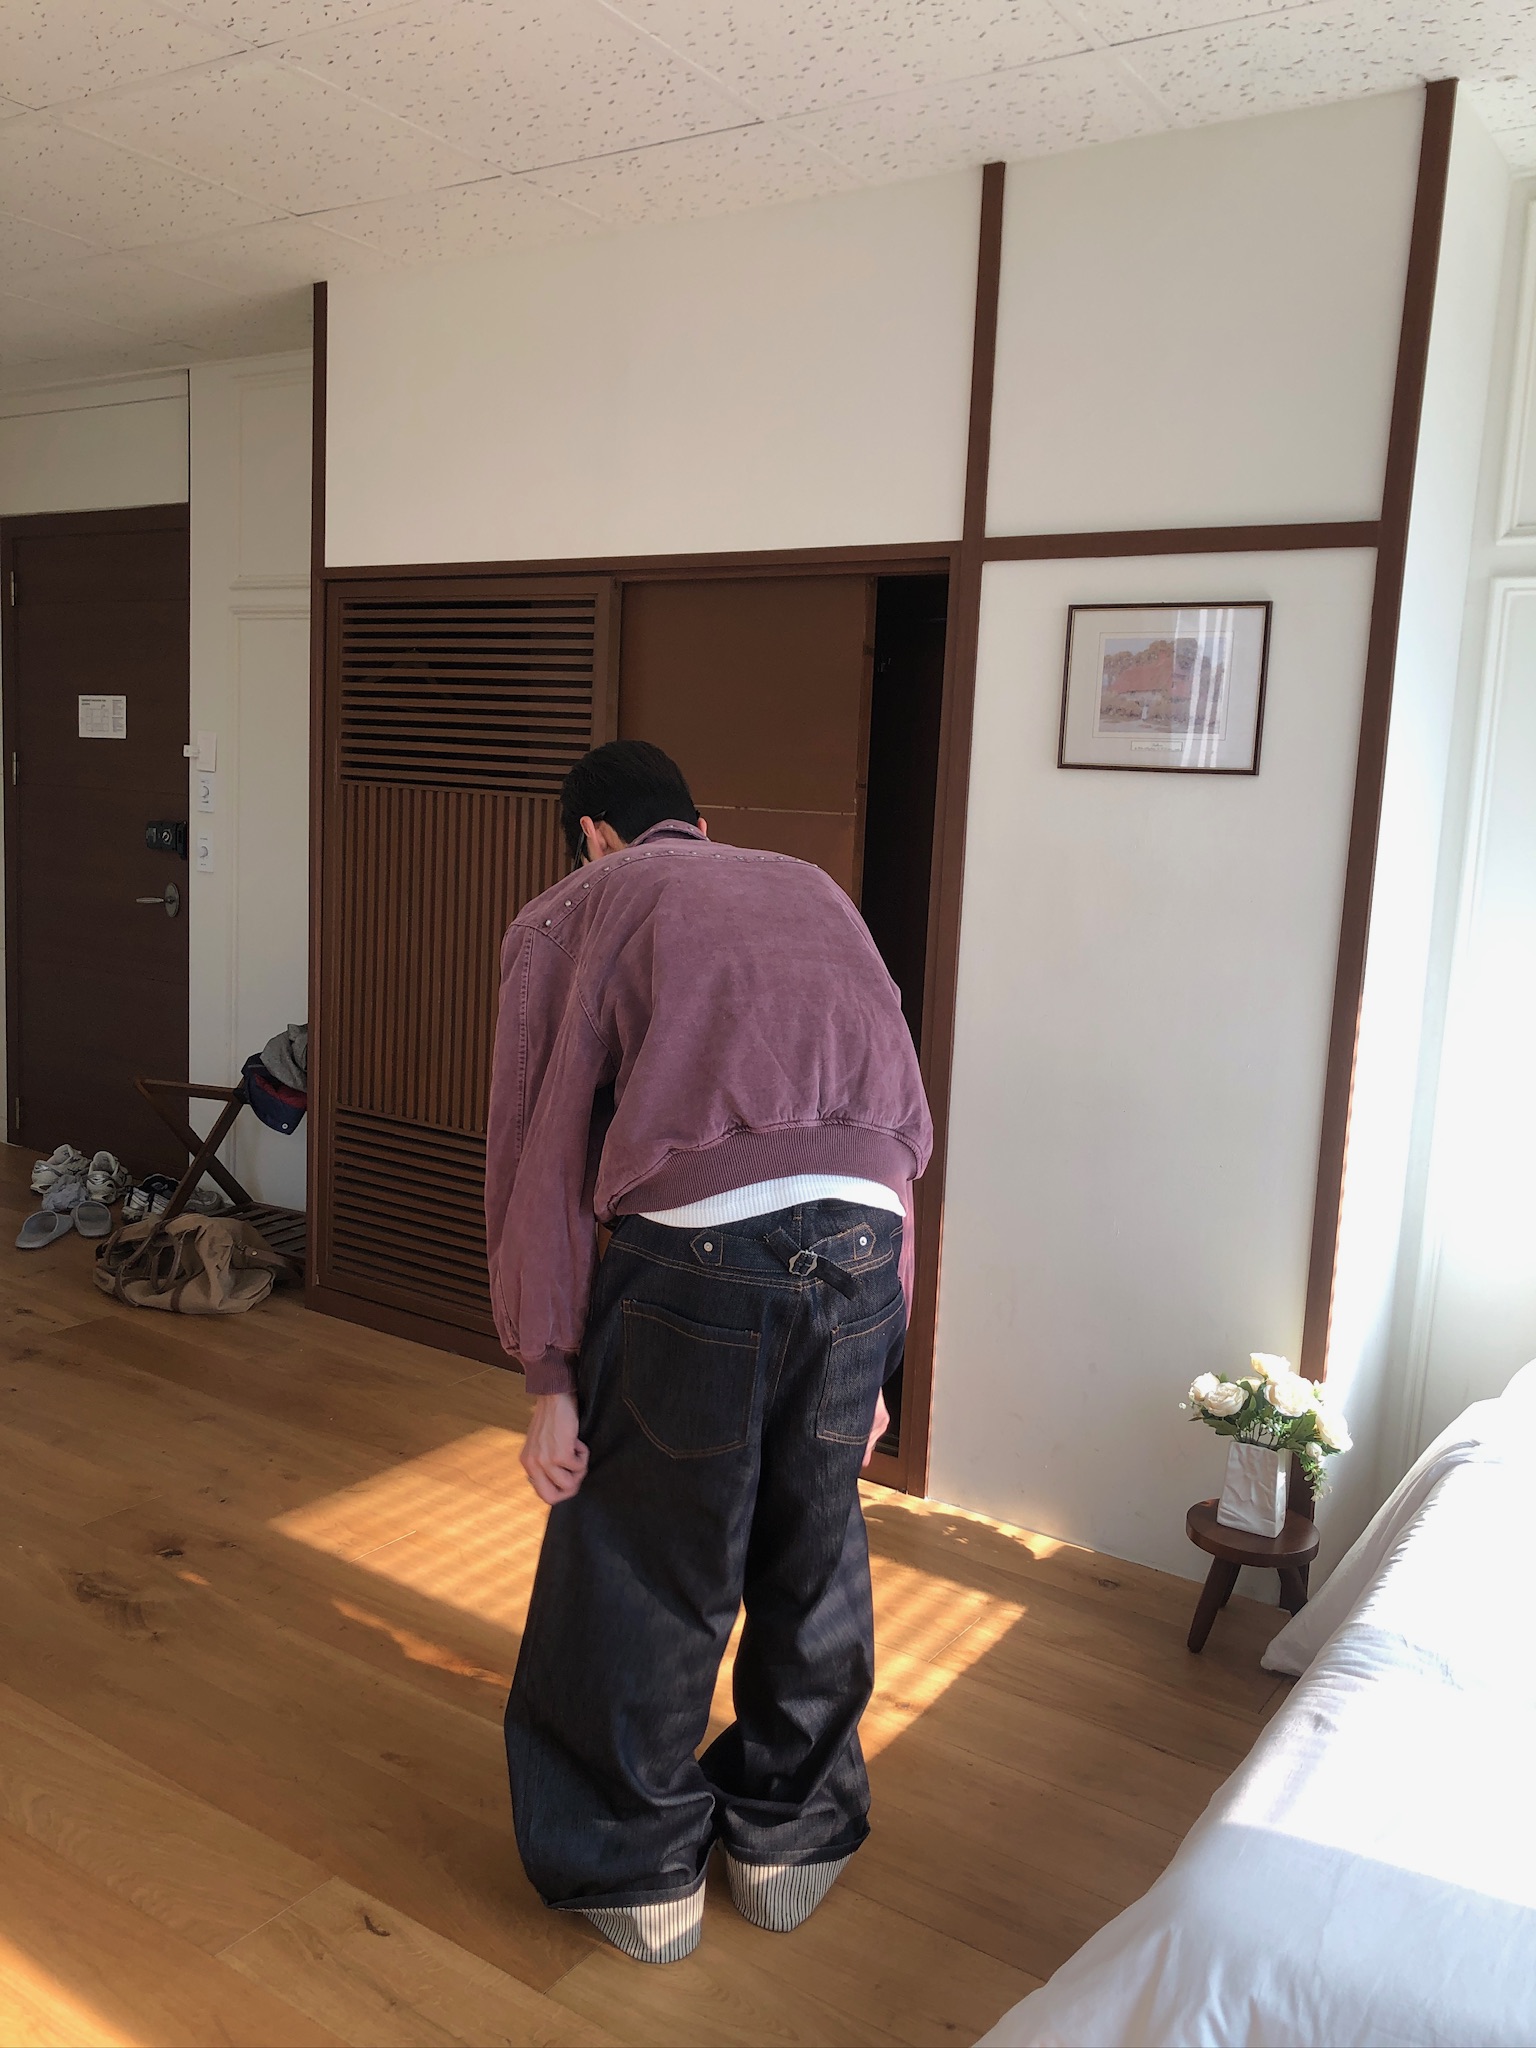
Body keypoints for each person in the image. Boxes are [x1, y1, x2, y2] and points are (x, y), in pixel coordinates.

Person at [485, 738, 932, 1965]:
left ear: (591, 834)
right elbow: (891, 1134)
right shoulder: (812, 887)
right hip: (865, 1246)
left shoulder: (580, 906)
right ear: (698, 819)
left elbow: (539, 1148)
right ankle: (795, 1839)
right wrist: (879, 1356)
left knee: (642, 1554)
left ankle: (638, 1872)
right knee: (815, 1537)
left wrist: (548, 1372)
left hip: (698, 1254)